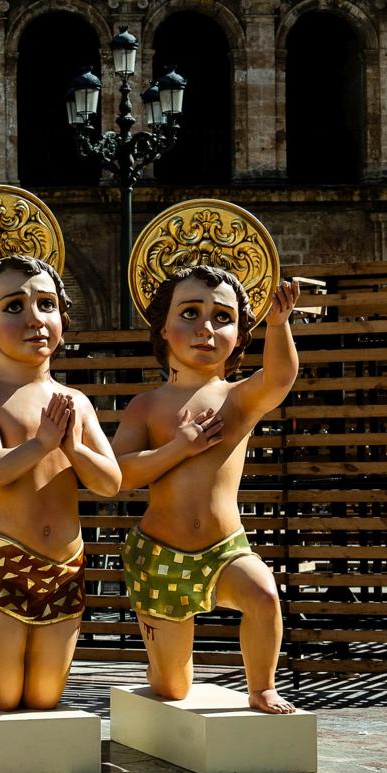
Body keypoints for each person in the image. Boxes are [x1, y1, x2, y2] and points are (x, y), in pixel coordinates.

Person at [0, 255, 121, 710]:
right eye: (14, 306)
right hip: (0, 559)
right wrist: (41, 444)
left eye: (47, 304)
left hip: (63, 565)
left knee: (42, 698)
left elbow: (111, 482)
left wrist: (72, 448)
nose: (35, 319)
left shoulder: (74, 401)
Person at [111, 265, 300, 714]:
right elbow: (120, 475)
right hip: (159, 556)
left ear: (239, 333)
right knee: (173, 688)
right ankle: (160, 667)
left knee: (264, 594)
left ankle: (262, 687)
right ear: (163, 327)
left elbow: (279, 379)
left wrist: (278, 325)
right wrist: (180, 446)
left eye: (222, 317)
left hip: (225, 550)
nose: (206, 329)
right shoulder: (147, 406)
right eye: (191, 313)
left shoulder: (238, 398)